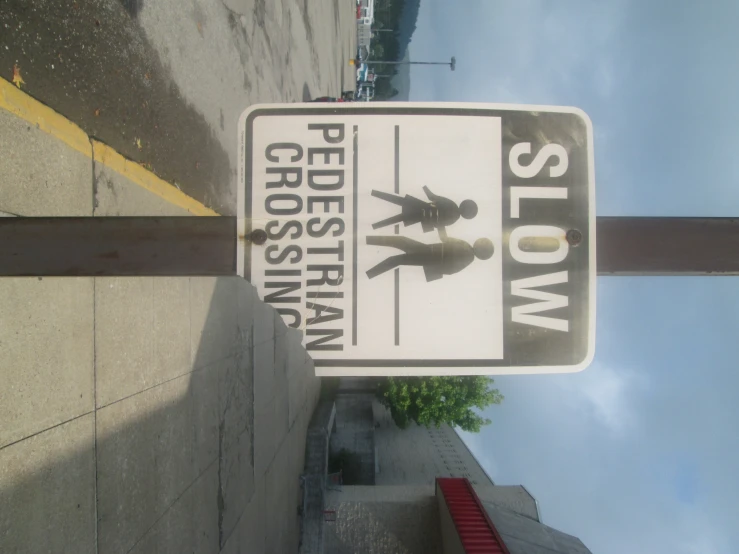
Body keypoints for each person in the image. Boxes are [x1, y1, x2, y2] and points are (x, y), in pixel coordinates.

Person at [365, 231, 494, 282]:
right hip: (428, 256)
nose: (480, 240)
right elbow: (450, 270)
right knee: (396, 257)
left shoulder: (465, 248)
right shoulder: (468, 259)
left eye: (483, 243)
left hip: (427, 253)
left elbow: (444, 238)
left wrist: (439, 224)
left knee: (399, 244)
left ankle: (364, 240)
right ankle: (368, 273)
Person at [370, 186, 478, 233]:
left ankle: (371, 192)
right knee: (395, 219)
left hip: (419, 206)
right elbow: (439, 226)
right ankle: (373, 226)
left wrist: (424, 186)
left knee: (395, 199)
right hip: (421, 218)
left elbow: (431, 197)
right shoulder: (453, 220)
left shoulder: (452, 204)